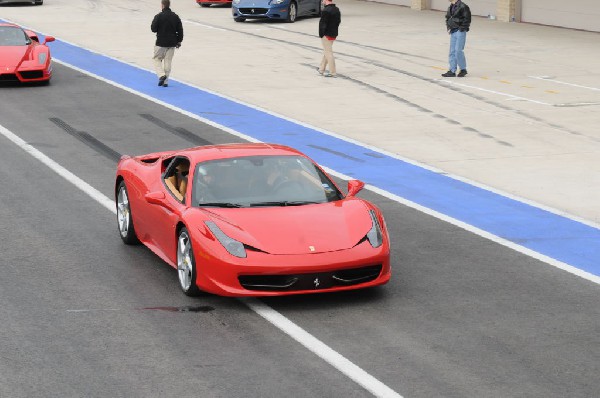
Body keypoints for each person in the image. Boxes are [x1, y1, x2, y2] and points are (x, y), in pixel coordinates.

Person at [151, 0, 183, 87]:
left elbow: (153, 29)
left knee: (156, 59)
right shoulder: (175, 17)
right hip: (172, 43)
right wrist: (179, 41)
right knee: (168, 61)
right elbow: (180, 30)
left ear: (162, 5)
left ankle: (161, 75)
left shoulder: (158, 16)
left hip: (160, 42)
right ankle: (166, 82)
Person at [442, 0, 471, 78]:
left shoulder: (463, 6)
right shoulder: (451, 6)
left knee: (458, 50)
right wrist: (448, 27)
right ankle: (452, 71)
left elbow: (467, 19)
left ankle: (463, 69)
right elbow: (448, 18)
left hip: (460, 31)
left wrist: (462, 28)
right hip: (453, 31)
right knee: (452, 51)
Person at [317, 0, 341, 78]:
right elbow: (338, 21)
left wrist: (321, 34)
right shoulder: (336, 9)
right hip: (333, 34)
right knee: (327, 52)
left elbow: (322, 23)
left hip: (326, 35)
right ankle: (321, 69)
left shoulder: (326, 10)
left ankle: (333, 72)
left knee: (328, 53)